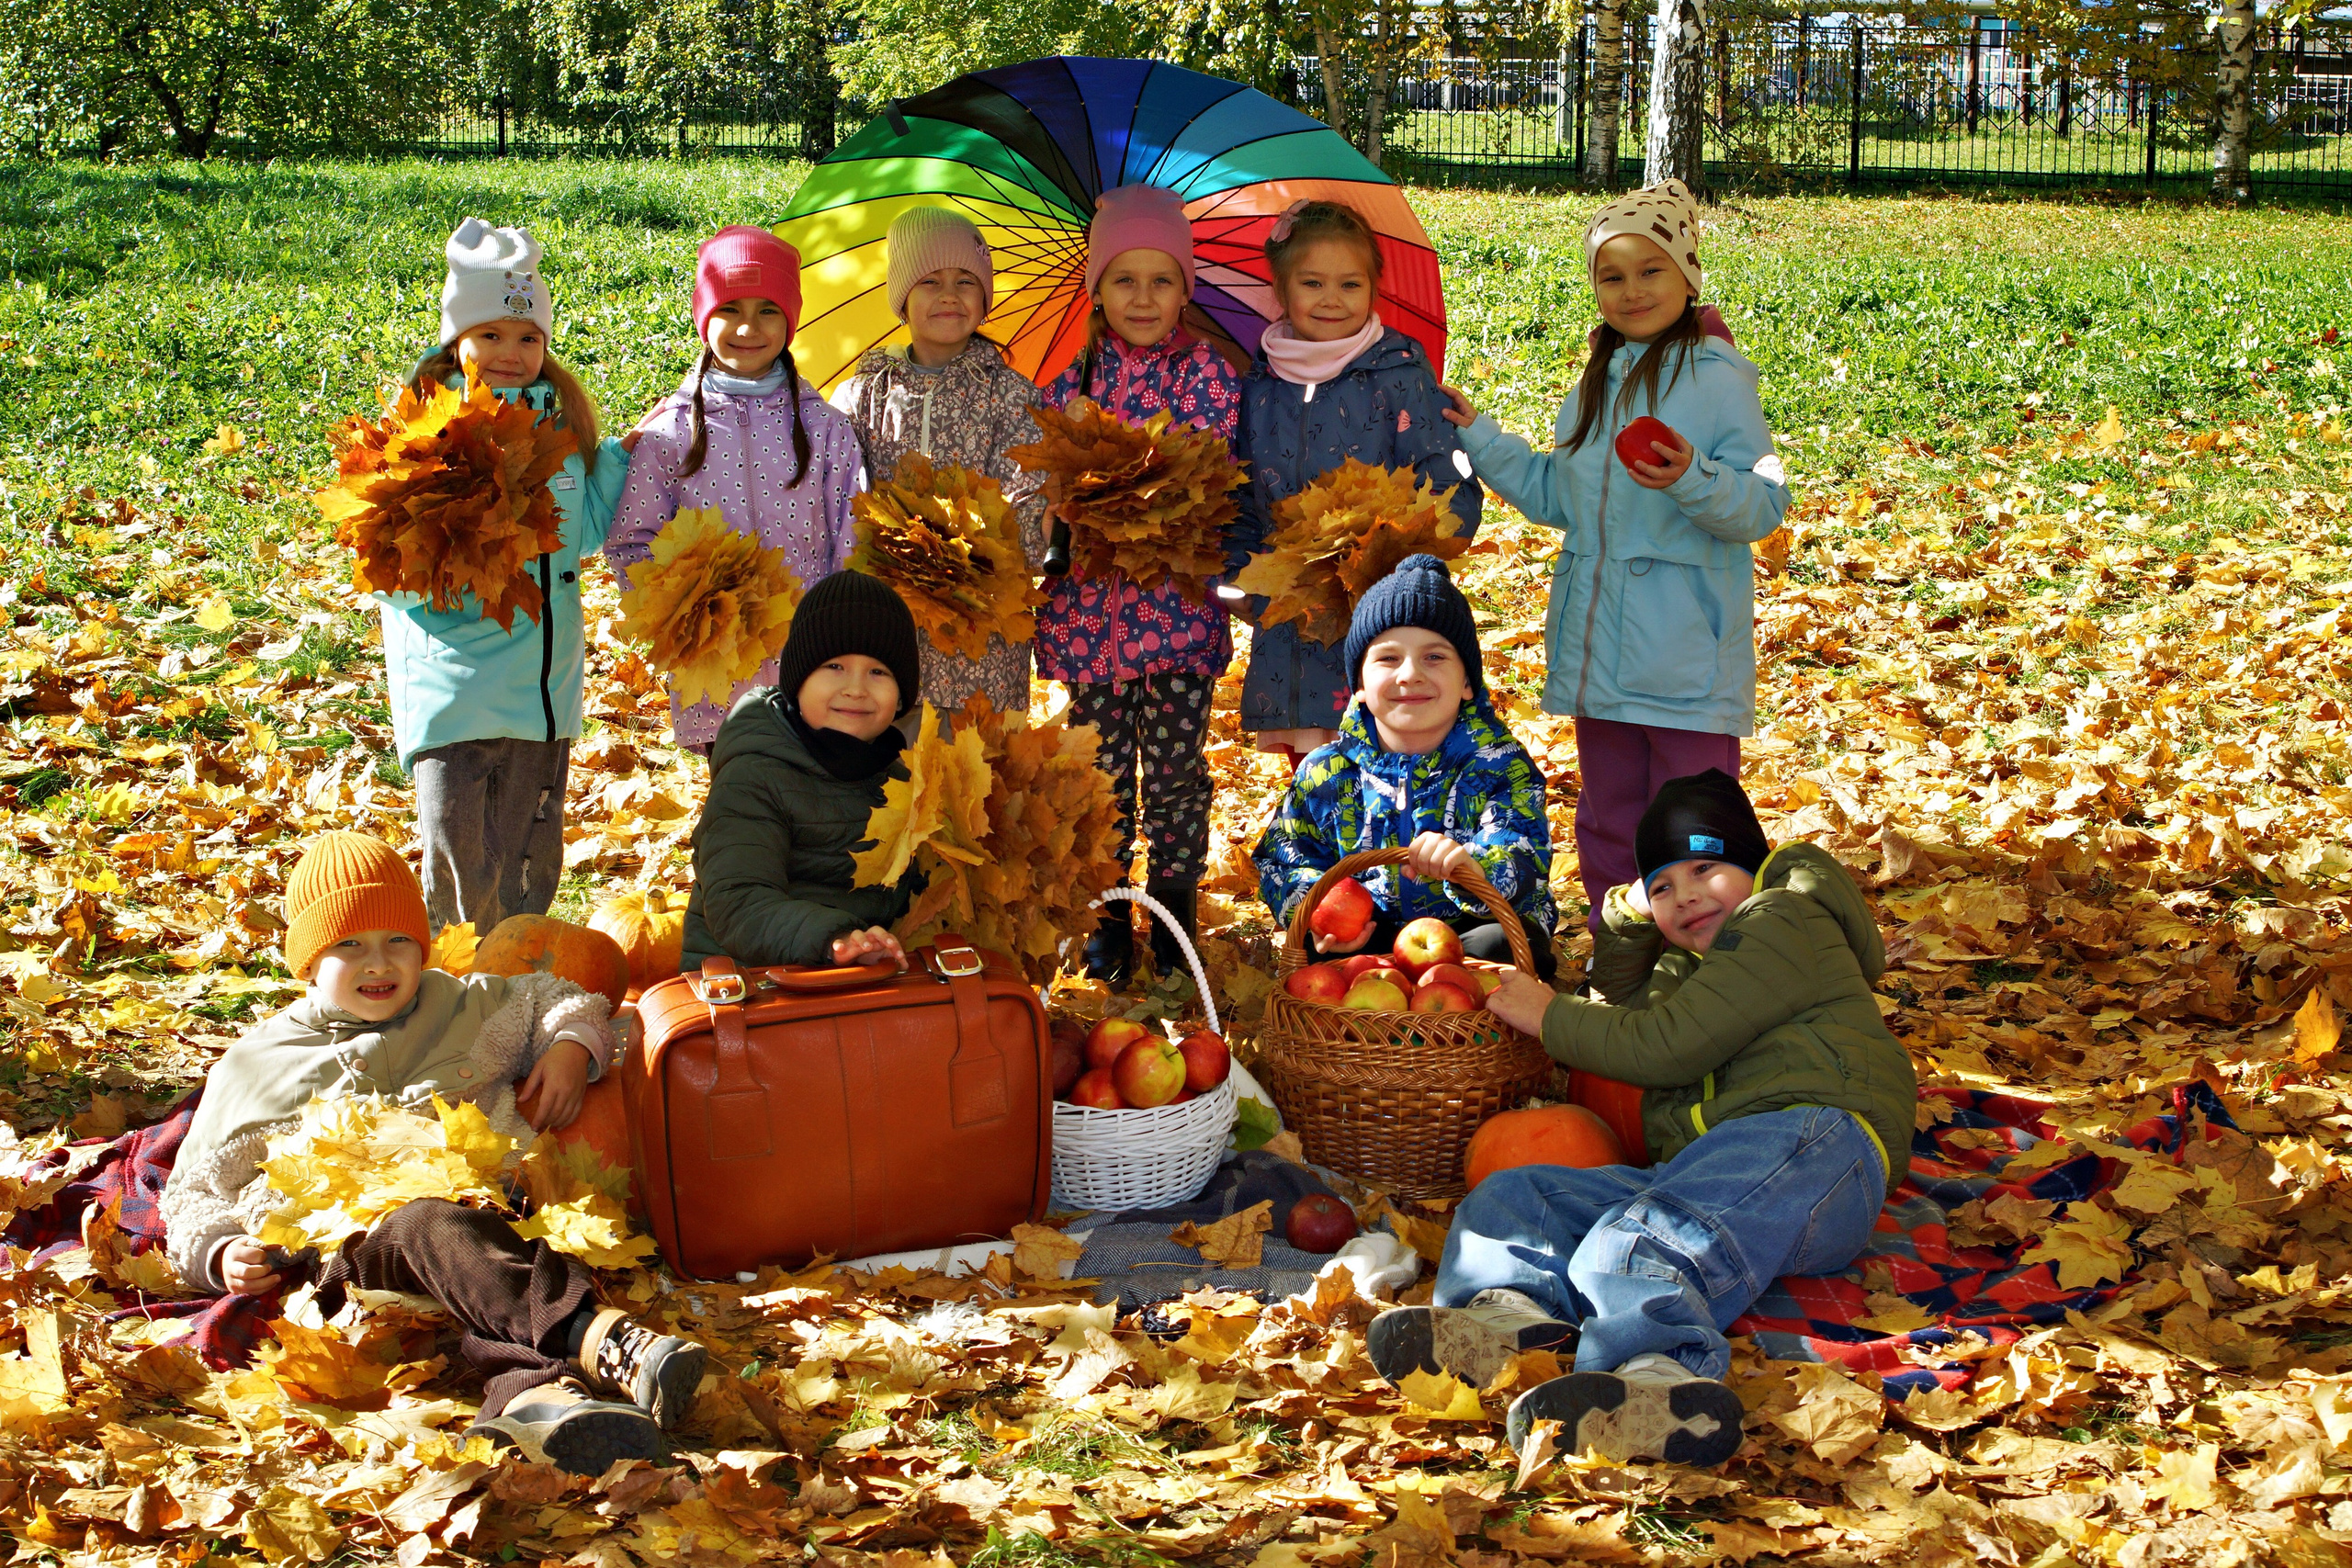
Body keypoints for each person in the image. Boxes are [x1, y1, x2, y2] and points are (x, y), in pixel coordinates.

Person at [1364, 771, 1917, 1468]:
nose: (1685, 894)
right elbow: (1618, 993)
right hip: (1725, 1169)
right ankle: (1506, 1322)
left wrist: (1548, 1015)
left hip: (1820, 1141)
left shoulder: (1783, 918)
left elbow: (1666, 1042)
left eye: (1707, 868)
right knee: (1515, 1197)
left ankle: (1658, 1380)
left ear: (1757, 866)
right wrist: (1630, 910)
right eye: (1662, 885)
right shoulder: (1689, 965)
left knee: (1635, 1244)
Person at [158, 832, 710, 1474]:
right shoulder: (259, 1065)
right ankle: (601, 1337)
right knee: (427, 1222)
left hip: (490, 1223)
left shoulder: (464, 1005)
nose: (379, 963)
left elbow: (555, 995)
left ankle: (539, 1398)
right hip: (352, 1254)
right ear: (307, 961)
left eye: (399, 941)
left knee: (478, 1243)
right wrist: (219, 1252)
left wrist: (570, 1045)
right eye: (349, 945)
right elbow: (192, 1190)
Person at [1440, 180, 1788, 931]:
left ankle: (1716, 963)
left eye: (1650, 269)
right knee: (1607, 820)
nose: (1631, 291)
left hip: (1685, 657)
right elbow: (1558, 496)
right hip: (1600, 657)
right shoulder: (1595, 379)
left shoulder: (1718, 377)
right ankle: (1618, 955)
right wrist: (1481, 437)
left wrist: (1691, 475)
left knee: (1697, 826)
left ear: (1688, 274)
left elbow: (1762, 504)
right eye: (1611, 275)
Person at [388, 219, 629, 935]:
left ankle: (517, 977)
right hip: (457, 692)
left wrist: (615, 461)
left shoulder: (560, 433)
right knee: (461, 856)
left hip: (544, 697)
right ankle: (461, 989)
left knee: (530, 858)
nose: (511, 354)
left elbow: (582, 534)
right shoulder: (427, 436)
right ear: (455, 342)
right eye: (489, 335)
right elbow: (391, 568)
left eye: (528, 338)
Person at [1038, 185, 1245, 988]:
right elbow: (1047, 472)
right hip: (1091, 622)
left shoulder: (1209, 377)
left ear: (1185, 288)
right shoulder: (1071, 378)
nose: (1144, 298)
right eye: (1125, 279)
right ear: (1097, 288)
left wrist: (1152, 489)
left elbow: (1214, 472)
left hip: (1180, 619)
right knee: (1102, 779)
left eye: (1163, 280)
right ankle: (1108, 914)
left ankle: (1175, 909)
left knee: (1175, 772)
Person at [1231, 199, 1480, 764]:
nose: (1331, 298)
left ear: (1374, 288)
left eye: (1350, 283)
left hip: (1385, 616)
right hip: (1295, 617)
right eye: (1312, 282)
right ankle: (1328, 855)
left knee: (1393, 762)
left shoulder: (1399, 376)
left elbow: (1450, 487)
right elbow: (1242, 496)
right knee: (1316, 773)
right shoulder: (1260, 386)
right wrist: (1248, 582)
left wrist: (1404, 567)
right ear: (1281, 287)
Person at [609, 225, 863, 754]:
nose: (749, 327)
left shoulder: (826, 431)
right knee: (736, 808)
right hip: (713, 668)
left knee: (810, 805)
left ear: (790, 320)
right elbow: (634, 541)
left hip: (808, 659)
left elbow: (853, 532)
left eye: (768, 309)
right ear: (705, 318)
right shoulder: (669, 433)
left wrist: (837, 634)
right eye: (730, 310)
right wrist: (677, 620)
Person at [1254, 555, 1557, 979]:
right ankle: (1365, 1032)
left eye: (1434, 657)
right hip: (1370, 933)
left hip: (1467, 928)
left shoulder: (1499, 764)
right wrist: (1317, 909)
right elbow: (1285, 855)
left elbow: (1523, 845)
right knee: (1320, 955)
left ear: (1468, 683)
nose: (1410, 674)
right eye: (1388, 659)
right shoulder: (1327, 771)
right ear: (1359, 685)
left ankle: (1470, 1032)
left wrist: (1472, 864)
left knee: (1499, 946)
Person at [830, 207, 1046, 717]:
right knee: (891, 761)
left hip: (983, 622)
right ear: (902, 299)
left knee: (976, 768)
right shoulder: (864, 394)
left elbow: (1028, 494)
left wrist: (979, 555)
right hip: (887, 619)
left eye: (966, 281)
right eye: (929, 280)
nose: (949, 294)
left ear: (986, 299)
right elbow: (836, 487)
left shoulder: (1011, 397)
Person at [680, 570, 927, 972]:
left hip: (853, 980)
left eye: (878, 672)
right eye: (834, 666)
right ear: (798, 679)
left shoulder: (901, 777)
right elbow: (738, 901)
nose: (856, 688)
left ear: (902, 694)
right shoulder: (756, 772)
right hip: (751, 987)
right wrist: (835, 939)